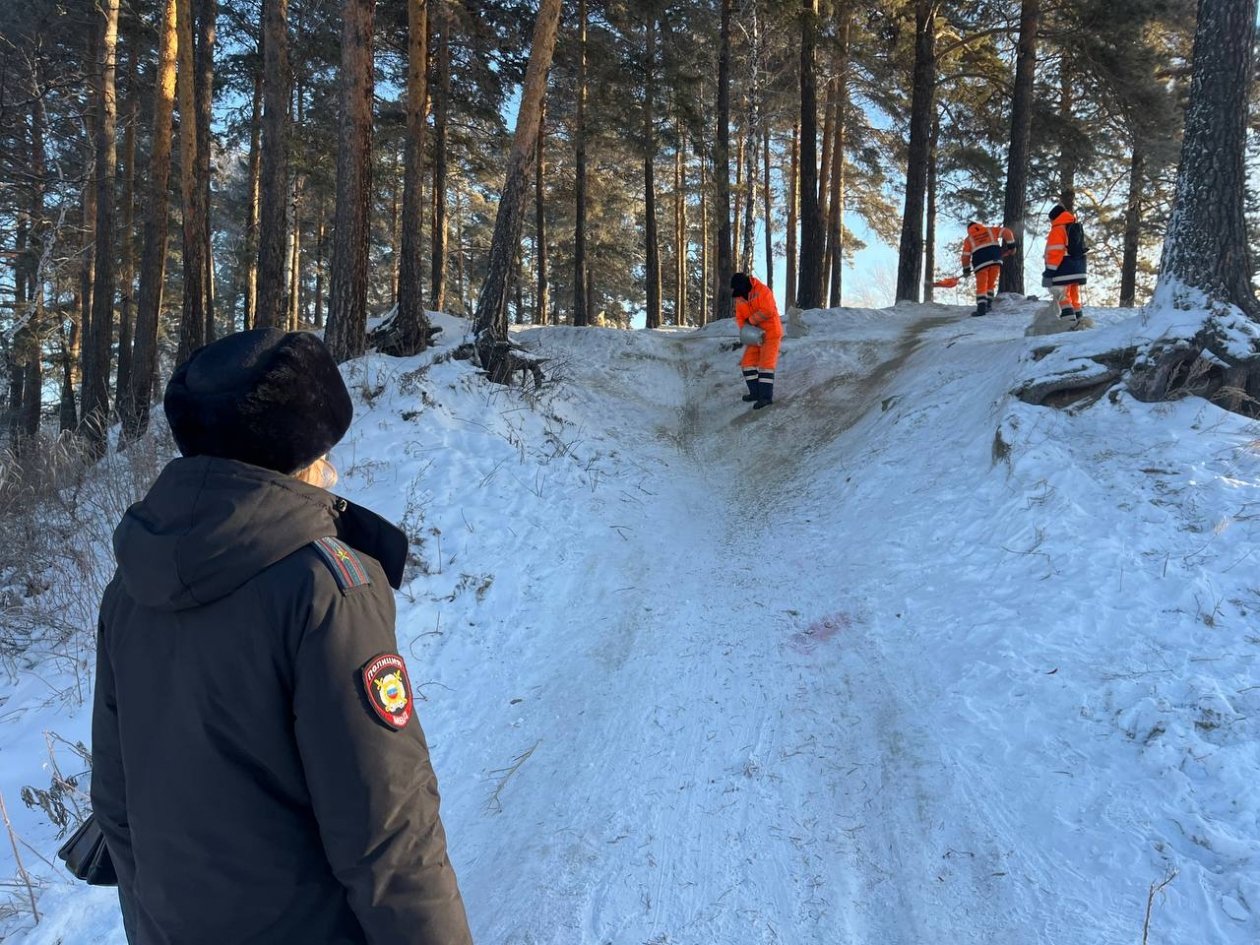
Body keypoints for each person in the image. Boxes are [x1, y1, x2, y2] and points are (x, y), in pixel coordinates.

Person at [91, 328, 473, 945]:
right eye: (323, 452)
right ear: (295, 456)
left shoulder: (129, 585)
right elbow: (388, 831)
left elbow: (116, 801)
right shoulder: (326, 586)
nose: (334, 468)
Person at [731, 271, 783, 409]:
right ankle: (755, 393)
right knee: (747, 363)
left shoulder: (762, 290)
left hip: (771, 333)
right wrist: (746, 330)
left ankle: (765, 397)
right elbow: (740, 318)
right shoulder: (740, 298)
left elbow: (768, 311)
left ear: (745, 285)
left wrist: (750, 321)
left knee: (766, 365)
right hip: (754, 335)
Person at [960, 220, 1017, 317]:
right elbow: (1007, 232)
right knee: (991, 284)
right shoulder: (990, 230)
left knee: (982, 285)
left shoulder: (969, 239)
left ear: (969, 230)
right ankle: (988, 305)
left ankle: (981, 308)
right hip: (995, 260)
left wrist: (966, 269)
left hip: (980, 263)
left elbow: (965, 256)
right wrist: (1011, 246)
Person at [1043, 203, 1087, 324]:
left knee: (1062, 294)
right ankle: (1079, 320)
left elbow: (1054, 252)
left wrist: (1049, 272)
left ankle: (1068, 322)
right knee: (1074, 296)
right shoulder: (1074, 227)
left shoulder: (1058, 229)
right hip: (1078, 268)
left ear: (1054, 217)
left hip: (1063, 269)